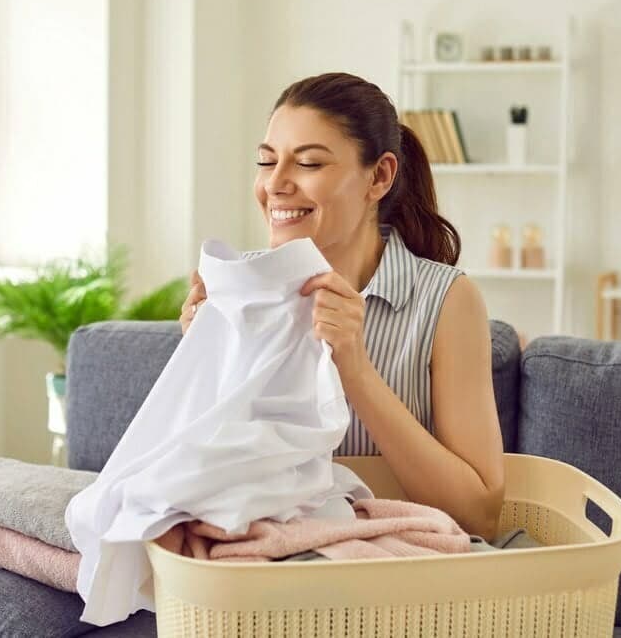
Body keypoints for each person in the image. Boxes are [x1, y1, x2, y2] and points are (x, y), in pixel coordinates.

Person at [179, 72, 504, 541]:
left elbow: (479, 516)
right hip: (258, 573)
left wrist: (354, 369)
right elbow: (194, 477)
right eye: (266, 161)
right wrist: (202, 357)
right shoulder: (237, 288)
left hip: (391, 577)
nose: (276, 184)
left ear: (380, 176)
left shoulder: (445, 299)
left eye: (308, 163)